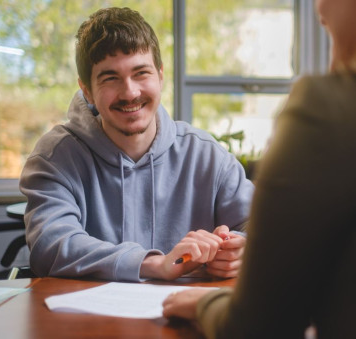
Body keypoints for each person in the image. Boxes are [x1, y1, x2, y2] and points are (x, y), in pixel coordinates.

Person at [162, 0, 356, 338]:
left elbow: (259, 328)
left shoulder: (327, 112)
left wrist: (203, 303)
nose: (317, 4)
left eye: (325, 21)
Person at [19, 7, 254, 282]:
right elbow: (52, 246)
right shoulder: (54, 157)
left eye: (141, 73)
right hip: (89, 321)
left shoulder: (206, 155)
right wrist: (154, 264)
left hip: (188, 314)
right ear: (87, 90)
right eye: (110, 78)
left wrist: (239, 248)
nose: (130, 92)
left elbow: (260, 225)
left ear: (160, 76)